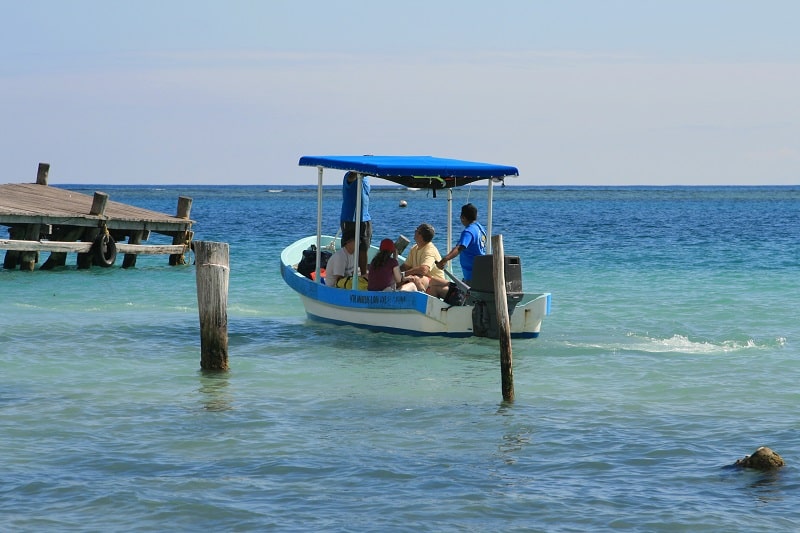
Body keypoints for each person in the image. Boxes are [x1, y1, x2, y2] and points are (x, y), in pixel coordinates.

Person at [429, 203, 487, 298]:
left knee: (468, 302)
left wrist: (444, 260)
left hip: (472, 276)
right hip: (480, 272)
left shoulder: (468, 231)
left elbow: (459, 248)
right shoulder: (481, 229)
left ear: (463, 217)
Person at [340, 171, 371, 278]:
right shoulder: (350, 175)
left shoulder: (367, 178)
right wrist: (360, 171)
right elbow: (351, 178)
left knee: (364, 247)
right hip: (349, 218)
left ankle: (363, 275)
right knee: (348, 248)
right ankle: (344, 275)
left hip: (364, 218)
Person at [398, 223, 445, 292]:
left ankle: (398, 294)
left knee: (416, 278)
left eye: (416, 230)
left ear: (420, 236)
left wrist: (404, 274)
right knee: (397, 279)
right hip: (423, 281)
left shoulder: (430, 250)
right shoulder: (414, 248)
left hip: (434, 285)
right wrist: (394, 273)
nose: (414, 231)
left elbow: (423, 270)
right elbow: (405, 267)